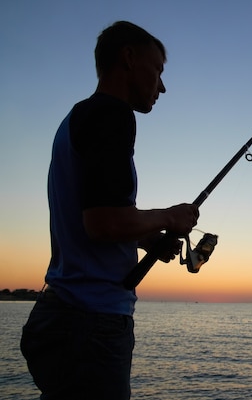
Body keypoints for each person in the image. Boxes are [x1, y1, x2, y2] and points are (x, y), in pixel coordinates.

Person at [20, 21, 199, 400]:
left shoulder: (75, 119)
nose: (162, 86)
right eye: (159, 70)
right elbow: (104, 223)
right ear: (129, 58)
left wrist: (146, 237)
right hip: (90, 325)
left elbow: (92, 221)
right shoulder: (112, 116)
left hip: (61, 315)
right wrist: (169, 216)